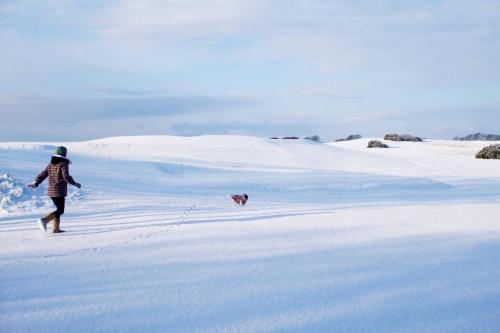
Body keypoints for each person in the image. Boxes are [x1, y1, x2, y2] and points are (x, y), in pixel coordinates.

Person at [28, 146, 81, 233]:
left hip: (51, 190)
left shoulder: (51, 163)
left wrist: (36, 183)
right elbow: (66, 177)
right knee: (60, 210)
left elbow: (44, 174)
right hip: (59, 190)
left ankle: (56, 229)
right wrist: (74, 183)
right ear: (65, 154)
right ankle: (44, 220)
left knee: (58, 209)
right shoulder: (63, 163)